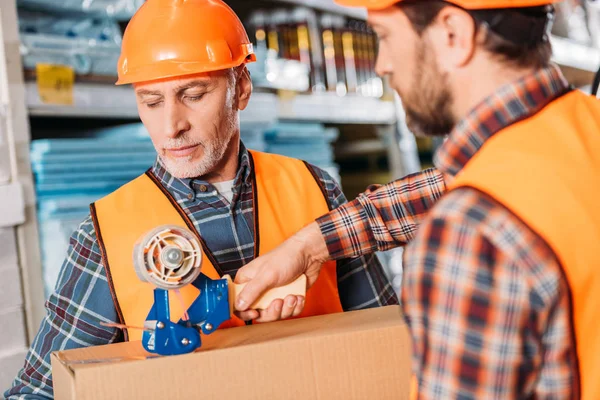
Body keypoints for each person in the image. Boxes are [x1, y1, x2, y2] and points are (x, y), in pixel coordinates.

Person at [4, 0, 451, 398]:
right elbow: (39, 390)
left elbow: (386, 335)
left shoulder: (315, 188)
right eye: (151, 101)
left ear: (240, 88)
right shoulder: (104, 234)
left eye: (192, 94)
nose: (170, 126)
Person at [234, 0, 600, 398]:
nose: (381, 65)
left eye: (386, 38)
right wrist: (310, 246)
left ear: (453, 35)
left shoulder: (467, 234)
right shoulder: (582, 129)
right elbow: (457, 185)